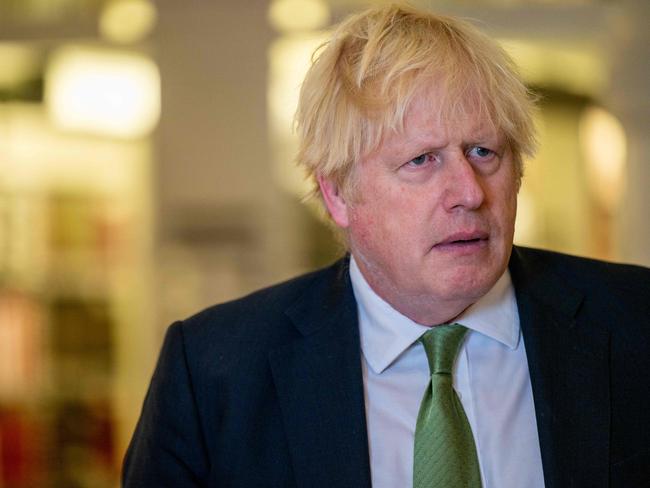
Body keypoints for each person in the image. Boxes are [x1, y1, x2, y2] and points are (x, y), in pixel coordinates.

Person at [123, 4, 650, 487]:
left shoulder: (636, 323)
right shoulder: (215, 373)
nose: (469, 192)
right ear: (337, 194)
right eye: (421, 160)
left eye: (484, 151)